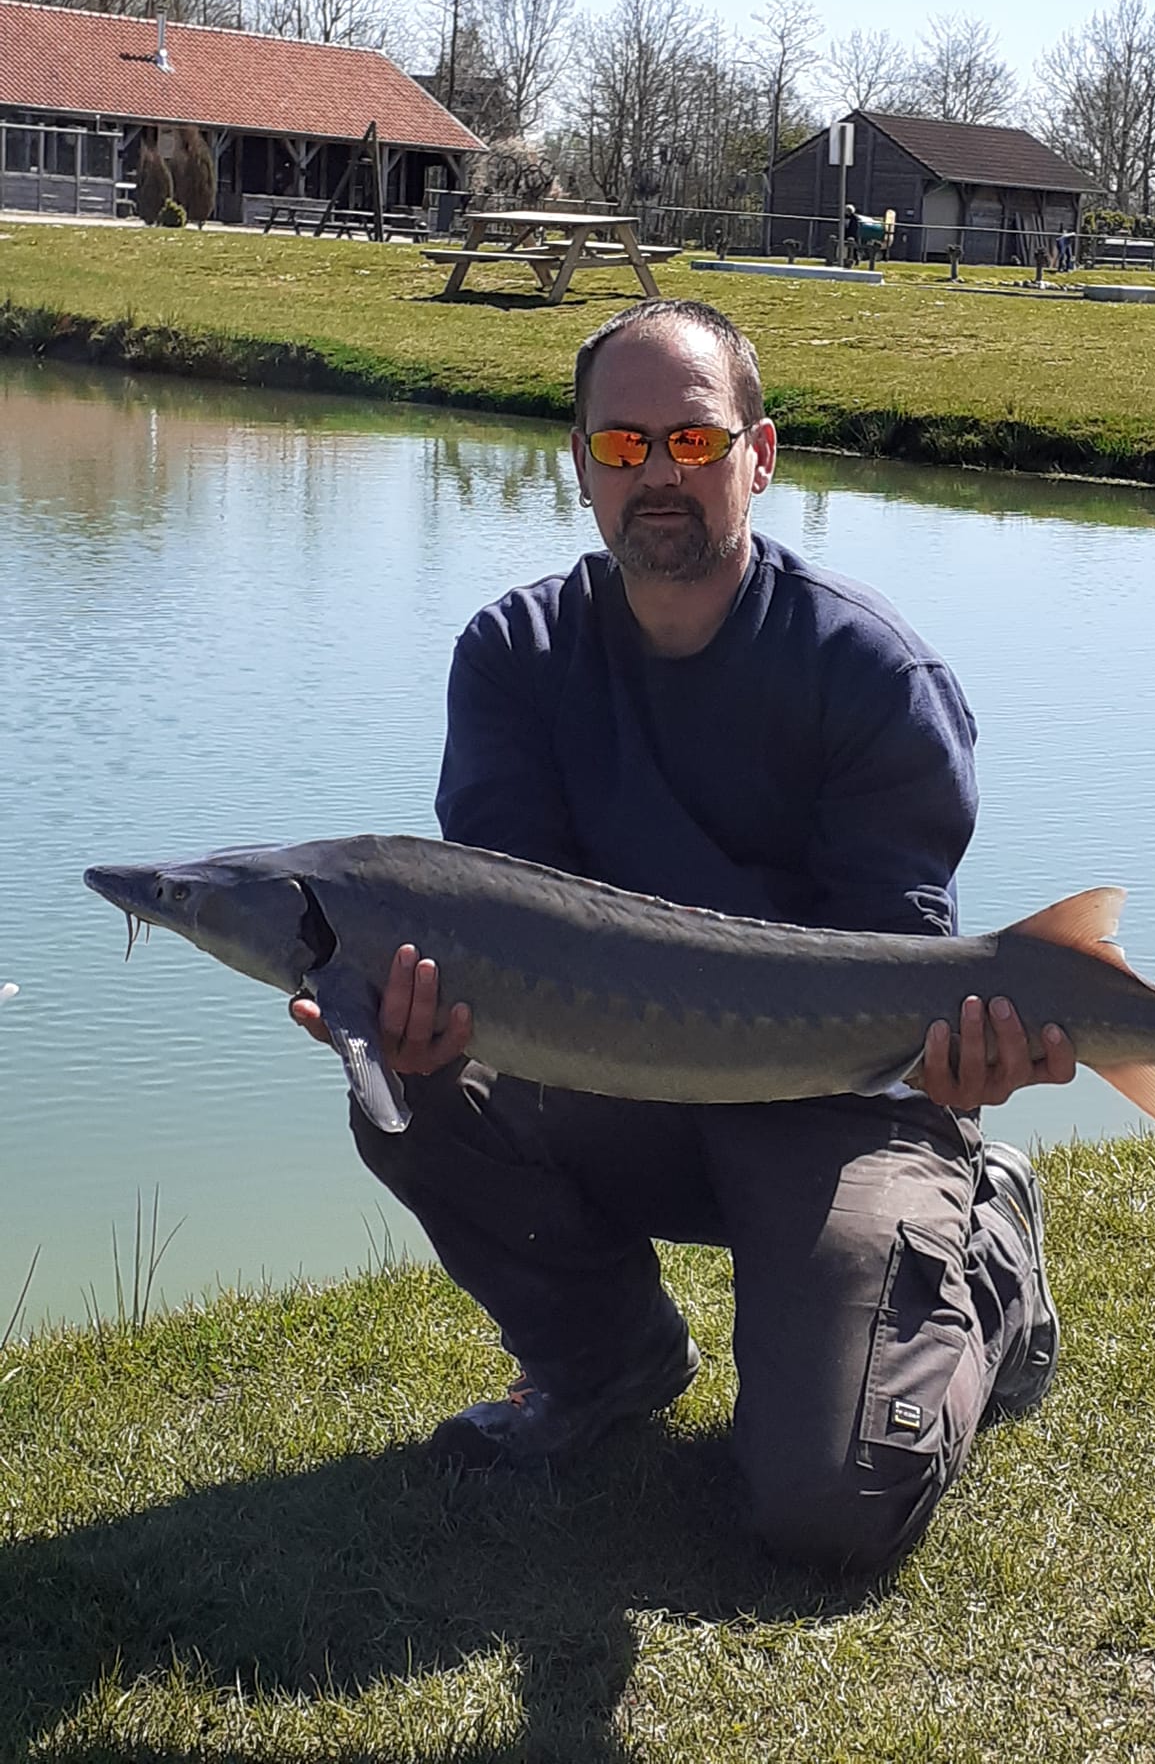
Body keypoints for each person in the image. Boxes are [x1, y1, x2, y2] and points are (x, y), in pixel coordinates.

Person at [292, 298, 1076, 1578]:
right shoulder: (513, 653)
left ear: (759, 455)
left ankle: (987, 1242)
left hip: (840, 1103)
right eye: (622, 446)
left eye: (694, 442)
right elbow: (497, 916)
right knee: (408, 1088)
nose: (657, 473)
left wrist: (960, 1062)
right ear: (583, 464)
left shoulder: (873, 674)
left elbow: (894, 968)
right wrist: (404, 1015)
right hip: (615, 1078)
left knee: (828, 1508)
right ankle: (606, 1363)